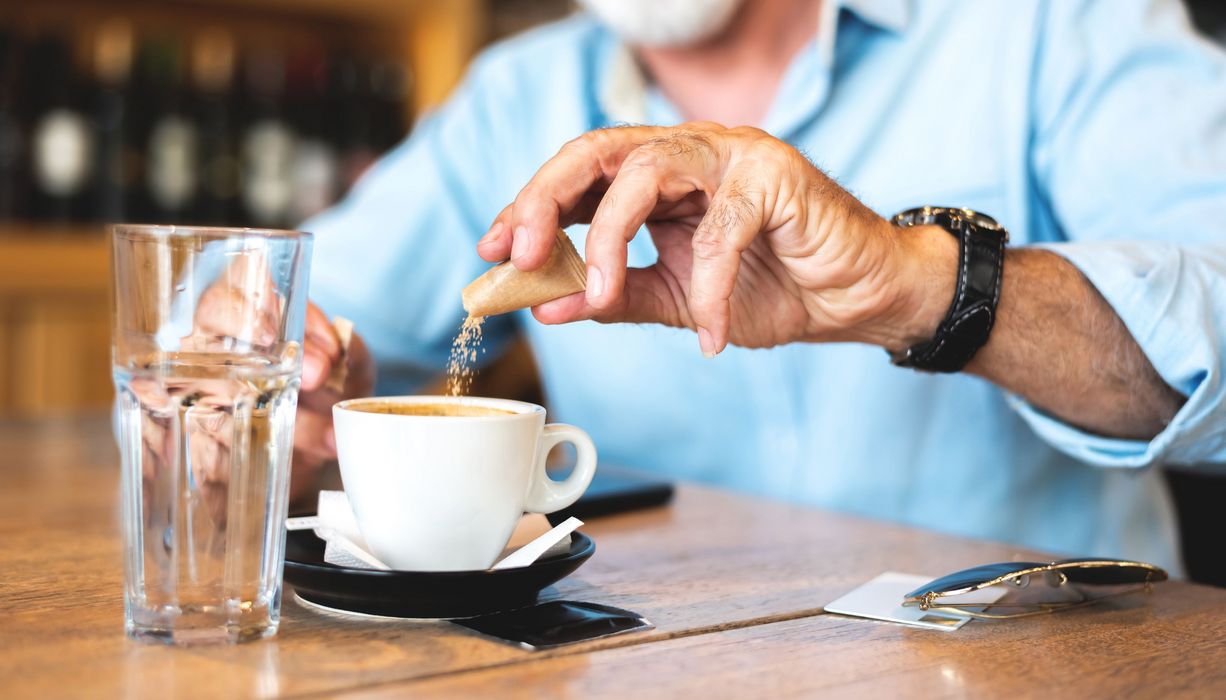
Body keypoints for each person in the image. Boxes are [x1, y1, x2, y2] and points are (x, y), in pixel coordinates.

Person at [295, 0, 1226, 573]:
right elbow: (276, 318)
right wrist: (271, 374)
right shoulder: (513, 100)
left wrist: (917, 286)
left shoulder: (1048, 23)